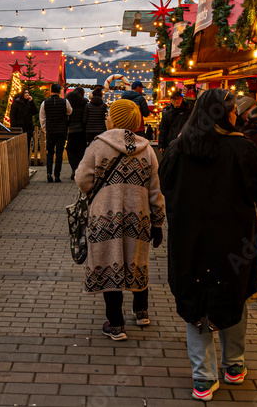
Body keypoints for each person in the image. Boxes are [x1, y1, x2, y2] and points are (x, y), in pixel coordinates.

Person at [158, 88, 257, 401]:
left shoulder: (178, 146)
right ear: (224, 114)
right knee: (233, 295)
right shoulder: (241, 147)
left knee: (196, 300)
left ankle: (203, 378)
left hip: (188, 239)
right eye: (233, 110)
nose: (236, 114)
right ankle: (234, 366)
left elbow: (164, 182)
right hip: (234, 240)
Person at [77, 99, 164, 341]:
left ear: (114, 119)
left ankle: (116, 324)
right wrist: (157, 223)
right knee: (137, 260)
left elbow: (82, 179)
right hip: (138, 217)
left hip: (106, 216)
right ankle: (141, 311)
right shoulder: (147, 149)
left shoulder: (99, 145)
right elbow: (156, 190)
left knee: (110, 263)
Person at [39, 83, 72, 182]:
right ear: (60, 91)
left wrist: (45, 130)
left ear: (50, 91)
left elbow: (42, 118)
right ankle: (57, 175)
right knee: (59, 154)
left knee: (49, 153)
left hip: (50, 131)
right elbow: (70, 112)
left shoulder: (44, 103)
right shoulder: (65, 102)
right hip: (61, 131)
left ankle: (49, 173)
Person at [65, 87, 88, 175]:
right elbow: (85, 118)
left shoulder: (69, 102)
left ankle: (74, 167)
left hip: (71, 130)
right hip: (82, 130)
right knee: (81, 150)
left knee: (70, 149)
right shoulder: (84, 103)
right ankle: (79, 168)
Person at [9, 89, 37, 156]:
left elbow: (35, 112)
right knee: (19, 146)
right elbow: (12, 116)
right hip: (19, 127)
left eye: (28, 93)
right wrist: (14, 128)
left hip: (28, 127)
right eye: (25, 93)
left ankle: (26, 162)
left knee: (27, 146)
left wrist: (31, 102)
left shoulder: (29, 103)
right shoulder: (16, 103)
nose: (27, 94)